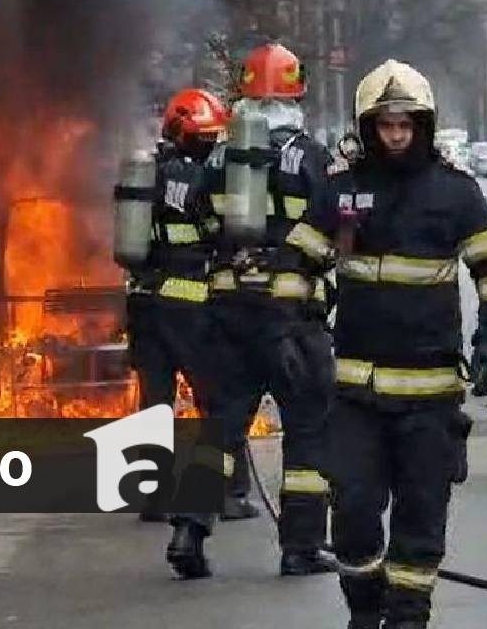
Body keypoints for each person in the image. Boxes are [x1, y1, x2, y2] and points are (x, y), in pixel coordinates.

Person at [324, 59, 487, 629]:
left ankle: (409, 616)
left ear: (424, 125)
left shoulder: (456, 192)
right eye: (386, 125)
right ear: (368, 127)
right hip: (356, 392)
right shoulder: (343, 189)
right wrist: (290, 324)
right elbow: (302, 257)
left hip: (431, 397)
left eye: (407, 124)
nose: (397, 134)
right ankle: (364, 607)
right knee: (353, 514)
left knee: (421, 517)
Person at [167, 42, 339, 579]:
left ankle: (188, 529)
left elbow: (195, 217)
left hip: (227, 312)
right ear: (297, 94)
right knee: (308, 428)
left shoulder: (220, 155)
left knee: (220, 427)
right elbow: (334, 220)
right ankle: (301, 547)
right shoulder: (309, 154)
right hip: (290, 317)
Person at [121, 88, 230, 524]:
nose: (211, 146)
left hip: (143, 303)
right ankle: (221, 490)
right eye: (207, 138)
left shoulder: (147, 173)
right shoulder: (201, 178)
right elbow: (217, 231)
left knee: (155, 401)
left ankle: (152, 495)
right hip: (188, 305)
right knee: (214, 399)